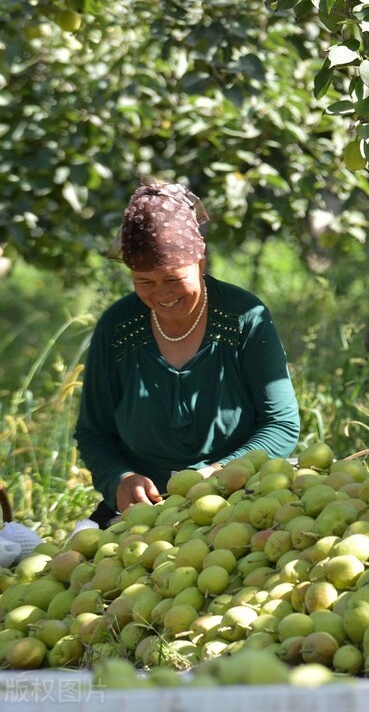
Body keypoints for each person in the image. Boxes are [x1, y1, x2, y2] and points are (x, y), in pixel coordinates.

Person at [74, 183, 301, 527]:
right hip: (146, 514)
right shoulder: (118, 328)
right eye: (144, 282)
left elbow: (281, 423)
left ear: (200, 261)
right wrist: (120, 479)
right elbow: (94, 433)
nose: (161, 294)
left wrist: (221, 473)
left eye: (173, 279)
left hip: (243, 498)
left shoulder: (245, 318)